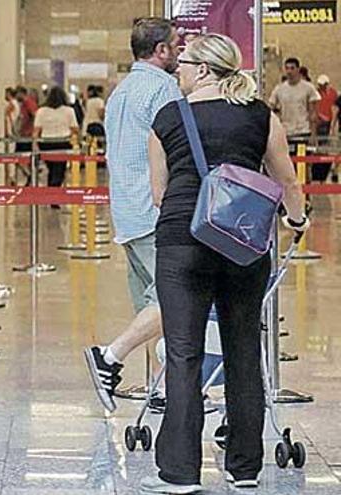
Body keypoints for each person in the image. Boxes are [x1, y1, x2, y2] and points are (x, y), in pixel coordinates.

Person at [140, 33, 308, 494]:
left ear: (205, 69)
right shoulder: (260, 114)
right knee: (242, 352)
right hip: (244, 244)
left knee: (184, 352)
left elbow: (160, 192)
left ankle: (179, 472)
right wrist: (296, 219)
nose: (178, 69)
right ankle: (244, 468)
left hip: (181, 242)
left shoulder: (168, 117)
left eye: (185, 63)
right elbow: (287, 180)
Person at [84, 17, 181, 413]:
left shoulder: (121, 91)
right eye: (177, 44)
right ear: (160, 50)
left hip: (126, 210)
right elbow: (175, 149)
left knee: (151, 303)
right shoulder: (164, 88)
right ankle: (110, 355)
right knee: (176, 300)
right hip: (156, 210)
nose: (181, 51)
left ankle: (162, 386)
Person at [33, 86, 78, 191]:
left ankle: (51, 192)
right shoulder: (69, 111)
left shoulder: (41, 111)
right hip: (63, 142)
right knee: (59, 168)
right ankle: (54, 189)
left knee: (52, 168)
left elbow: (36, 130)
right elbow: (75, 129)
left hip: (46, 143)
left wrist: (35, 144)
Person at [269, 58, 320, 148]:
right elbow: (270, 108)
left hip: (303, 132)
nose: (289, 71)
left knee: (302, 161)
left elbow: (313, 113)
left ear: (298, 69)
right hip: (285, 132)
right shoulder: (279, 89)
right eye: (287, 68)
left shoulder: (308, 88)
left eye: (292, 68)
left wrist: (313, 134)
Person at [313, 74, 338, 182]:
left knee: (326, 148)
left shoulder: (333, 93)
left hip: (328, 123)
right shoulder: (316, 93)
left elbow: (335, 109)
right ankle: (318, 173)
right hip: (319, 122)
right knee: (318, 148)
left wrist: (332, 124)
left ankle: (324, 173)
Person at [14, 86, 39, 153]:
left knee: (23, 157)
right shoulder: (24, 104)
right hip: (23, 135)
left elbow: (35, 116)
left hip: (27, 135)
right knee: (19, 158)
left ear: (21, 93)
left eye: (16, 94)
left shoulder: (29, 103)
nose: (15, 96)